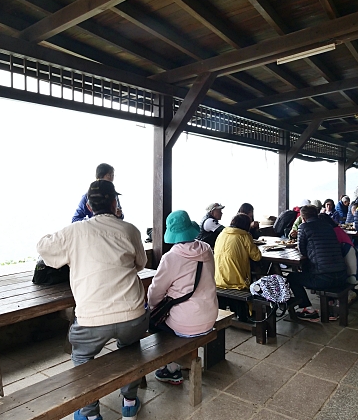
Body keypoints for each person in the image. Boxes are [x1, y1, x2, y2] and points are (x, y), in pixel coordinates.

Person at [37, 180, 147, 420]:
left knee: (83, 357)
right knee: (130, 348)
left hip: (92, 318)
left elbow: (44, 248)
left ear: (88, 204)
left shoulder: (74, 231)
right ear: (114, 203)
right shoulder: (130, 229)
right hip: (133, 314)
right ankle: (129, 403)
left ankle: (89, 414)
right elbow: (141, 264)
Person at [147, 210, 218, 385]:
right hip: (210, 316)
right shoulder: (207, 249)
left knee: (151, 321)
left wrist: (152, 306)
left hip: (186, 324)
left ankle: (171, 368)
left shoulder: (171, 257)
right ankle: (178, 360)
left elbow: (155, 293)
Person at [287, 205, 348, 321]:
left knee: (292, 277)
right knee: (319, 267)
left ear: (303, 217)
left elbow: (302, 251)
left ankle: (307, 309)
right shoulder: (328, 226)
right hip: (342, 275)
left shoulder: (303, 227)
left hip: (325, 279)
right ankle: (330, 306)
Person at [214, 213, 262, 319]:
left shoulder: (222, 233)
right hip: (237, 282)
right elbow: (257, 256)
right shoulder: (244, 235)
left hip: (218, 279)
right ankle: (245, 315)